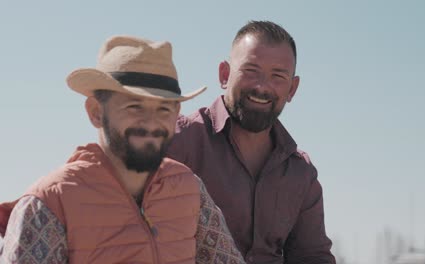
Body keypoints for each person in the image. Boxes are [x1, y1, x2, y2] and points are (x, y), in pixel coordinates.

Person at [0, 35, 245, 264]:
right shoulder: (48, 204)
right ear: (96, 112)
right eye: (134, 106)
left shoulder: (188, 187)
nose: (151, 122)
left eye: (164, 109)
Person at [167, 21, 336, 263]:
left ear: (292, 89)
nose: (262, 87)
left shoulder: (301, 173)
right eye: (250, 70)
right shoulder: (178, 143)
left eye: (278, 76)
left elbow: (311, 256)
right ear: (224, 75)